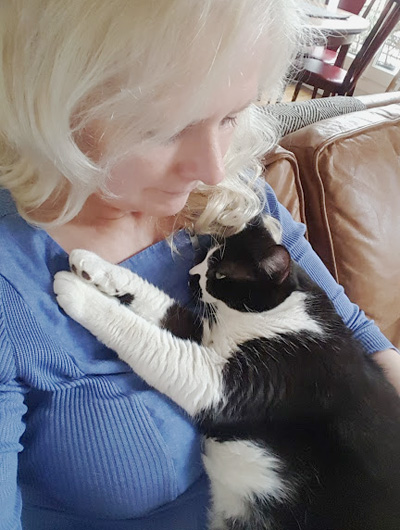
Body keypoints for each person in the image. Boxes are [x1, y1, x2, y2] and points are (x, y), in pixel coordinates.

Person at [0, 1, 399, 529]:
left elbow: (356, 339)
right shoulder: (11, 290)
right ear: (47, 108)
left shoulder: (236, 198)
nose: (213, 168)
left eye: (231, 115)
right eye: (164, 129)